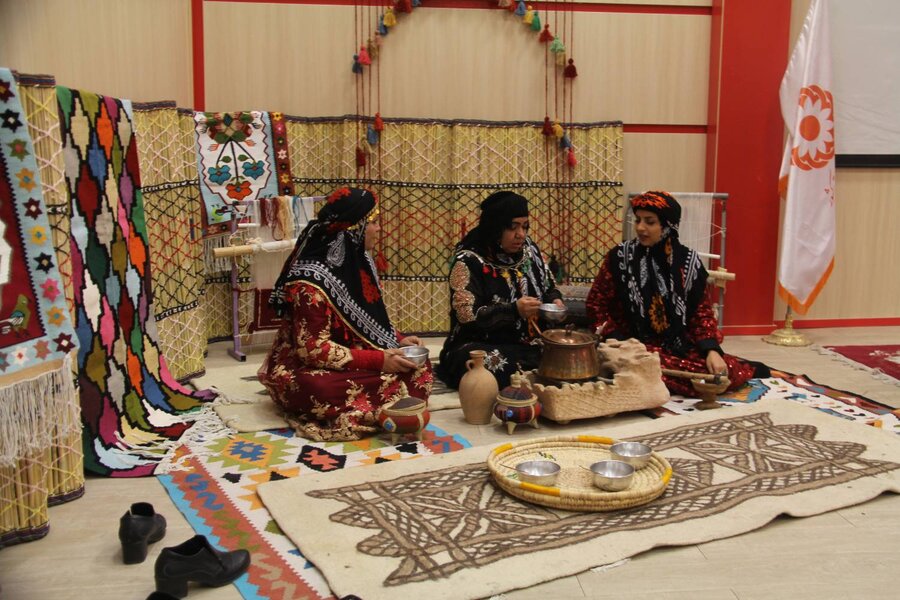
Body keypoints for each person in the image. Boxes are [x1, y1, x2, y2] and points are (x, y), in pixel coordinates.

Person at [259, 187, 432, 441]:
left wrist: (398, 339)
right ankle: (391, 408)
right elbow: (312, 350)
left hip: (359, 357)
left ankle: (383, 408)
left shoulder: (361, 263)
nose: (379, 229)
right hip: (313, 367)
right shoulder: (309, 282)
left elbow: (368, 320)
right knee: (317, 388)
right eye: (373, 222)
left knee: (420, 366)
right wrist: (378, 360)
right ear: (354, 229)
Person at [586, 190, 767, 396]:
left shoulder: (688, 262)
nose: (640, 227)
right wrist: (616, 339)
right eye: (638, 220)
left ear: (668, 225)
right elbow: (596, 304)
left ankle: (739, 368)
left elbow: (701, 314)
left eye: (649, 222)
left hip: (676, 347)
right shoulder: (619, 257)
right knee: (641, 367)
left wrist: (712, 350)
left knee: (722, 371)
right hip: (630, 346)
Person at [436, 190, 564, 389]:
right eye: (513, 227)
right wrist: (513, 310)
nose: (521, 234)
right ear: (495, 228)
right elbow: (467, 317)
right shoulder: (468, 261)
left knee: (569, 349)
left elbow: (549, 285)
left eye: (525, 226)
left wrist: (555, 300)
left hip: (529, 342)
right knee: (486, 362)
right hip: (482, 344)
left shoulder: (529, 250)